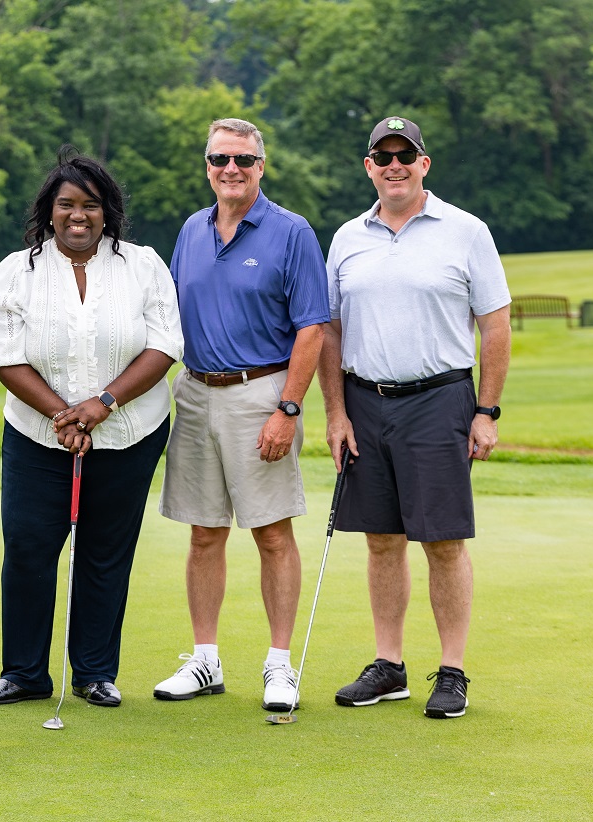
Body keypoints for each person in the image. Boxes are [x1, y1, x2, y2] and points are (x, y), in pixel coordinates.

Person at [318, 116, 511, 719]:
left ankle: (451, 671)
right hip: (364, 401)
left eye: (406, 154)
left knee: (444, 543)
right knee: (381, 540)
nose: (394, 164)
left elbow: (495, 325)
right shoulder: (349, 236)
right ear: (369, 167)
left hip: (440, 400)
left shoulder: (466, 231)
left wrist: (486, 410)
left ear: (424, 163)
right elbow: (329, 330)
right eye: (383, 156)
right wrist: (335, 413)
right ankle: (389, 666)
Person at [0, 149, 183, 709]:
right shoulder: (16, 271)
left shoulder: (142, 265)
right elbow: (5, 355)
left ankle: (94, 672)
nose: (78, 215)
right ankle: (23, 672)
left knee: (105, 551)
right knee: (27, 547)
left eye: (90, 205)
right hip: (37, 434)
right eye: (66, 204)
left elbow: (165, 344)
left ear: (106, 211)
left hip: (129, 431)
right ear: (49, 211)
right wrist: (62, 415)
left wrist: (103, 403)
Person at [154, 118, 329, 712]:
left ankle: (280, 666)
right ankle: (205, 660)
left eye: (244, 161)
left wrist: (288, 408)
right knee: (205, 534)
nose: (232, 169)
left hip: (262, 393)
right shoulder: (192, 230)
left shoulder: (291, 232)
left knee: (272, 533)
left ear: (262, 166)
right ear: (207, 165)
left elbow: (312, 328)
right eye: (220, 158)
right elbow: (169, 315)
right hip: (196, 392)